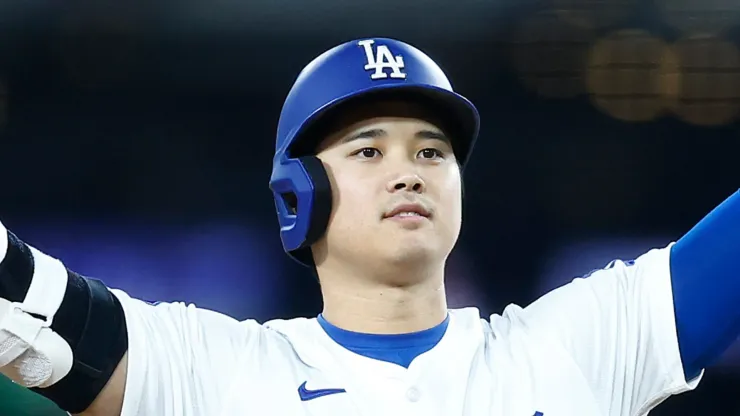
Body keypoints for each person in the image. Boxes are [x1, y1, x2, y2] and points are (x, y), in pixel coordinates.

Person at [0, 37, 738, 416]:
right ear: (299, 196)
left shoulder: (572, 346)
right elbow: (23, 305)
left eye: (431, 150)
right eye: (368, 149)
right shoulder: (212, 368)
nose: (408, 170)